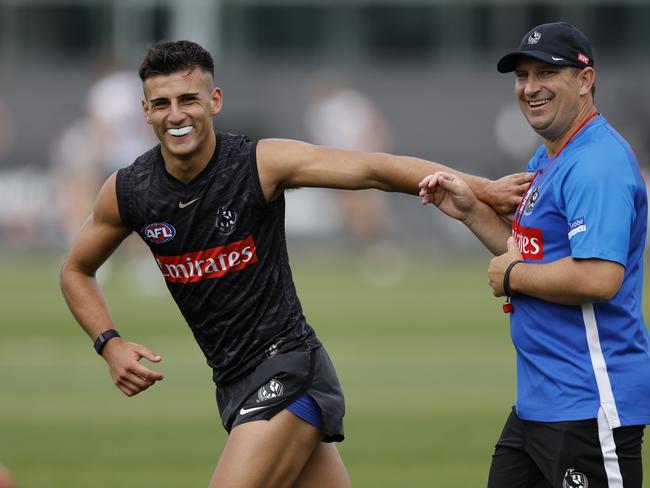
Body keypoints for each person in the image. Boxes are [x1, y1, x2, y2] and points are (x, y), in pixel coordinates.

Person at [60, 40, 530, 488]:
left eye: (189, 99)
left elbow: (373, 168)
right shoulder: (128, 191)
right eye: (161, 104)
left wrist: (483, 189)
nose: (176, 115)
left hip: (288, 371)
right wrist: (110, 344)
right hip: (233, 381)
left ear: (215, 100)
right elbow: (75, 270)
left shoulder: (259, 163)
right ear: (145, 112)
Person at [419, 22, 650, 488]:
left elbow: (599, 278)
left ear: (585, 81)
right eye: (522, 76)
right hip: (542, 404)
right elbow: (527, 251)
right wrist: (470, 213)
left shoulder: (596, 164)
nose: (530, 88)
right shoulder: (548, 158)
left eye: (547, 73)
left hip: (590, 403)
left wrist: (513, 278)